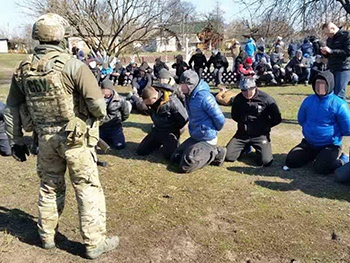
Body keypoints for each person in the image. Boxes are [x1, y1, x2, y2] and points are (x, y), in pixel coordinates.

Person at [3, 13, 119, 259]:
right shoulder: (73, 65)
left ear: (37, 36)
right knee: (87, 188)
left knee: (49, 186)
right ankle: (93, 243)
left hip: (44, 139)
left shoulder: (23, 69)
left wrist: (15, 141)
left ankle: (46, 236)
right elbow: (98, 106)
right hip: (75, 140)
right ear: (61, 35)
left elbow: (11, 107)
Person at [285, 71, 350, 174]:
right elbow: (301, 120)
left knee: (321, 169)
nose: (320, 87)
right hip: (310, 143)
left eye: (323, 84)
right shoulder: (308, 101)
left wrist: (331, 136)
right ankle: (314, 155)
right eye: (317, 83)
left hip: (330, 145)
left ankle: (343, 160)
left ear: (330, 85)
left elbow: (347, 129)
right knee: (291, 161)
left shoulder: (339, 104)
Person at [171, 70, 226, 173]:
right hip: (195, 136)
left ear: (190, 85)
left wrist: (212, 131)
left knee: (187, 165)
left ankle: (216, 153)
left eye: (181, 84)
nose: (180, 87)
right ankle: (195, 151)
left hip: (207, 138)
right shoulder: (189, 96)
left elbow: (220, 119)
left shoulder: (205, 97)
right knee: (176, 157)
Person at [225, 78, 282, 166]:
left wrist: (265, 127)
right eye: (244, 90)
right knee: (228, 157)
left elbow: (277, 118)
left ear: (255, 87)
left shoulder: (266, 99)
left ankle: (261, 149)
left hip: (260, 135)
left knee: (265, 162)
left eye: (250, 89)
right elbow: (235, 116)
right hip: (242, 134)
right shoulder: (238, 99)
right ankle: (245, 147)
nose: (247, 93)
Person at [137, 85, 188, 160]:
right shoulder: (149, 102)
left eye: (148, 103)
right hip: (157, 130)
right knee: (141, 151)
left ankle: (172, 145)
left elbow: (184, 119)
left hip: (170, 132)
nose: (148, 105)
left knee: (171, 156)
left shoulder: (172, 101)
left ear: (154, 98)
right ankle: (158, 143)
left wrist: (176, 133)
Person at [321, 22, 350, 100]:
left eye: (328, 33)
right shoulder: (329, 39)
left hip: (343, 68)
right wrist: (325, 54)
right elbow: (330, 54)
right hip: (331, 67)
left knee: (339, 94)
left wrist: (331, 51)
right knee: (330, 92)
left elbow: (348, 52)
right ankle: (332, 111)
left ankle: (342, 112)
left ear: (333, 28)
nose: (327, 35)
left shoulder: (346, 35)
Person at [99, 80, 131, 150]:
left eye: (107, 90)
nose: (106, 92)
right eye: (103, 90)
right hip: (101, 127)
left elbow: (125, 114)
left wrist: (118, 121)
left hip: (115, 128)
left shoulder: (121, 99)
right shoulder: (97, 99)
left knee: (120, 146)